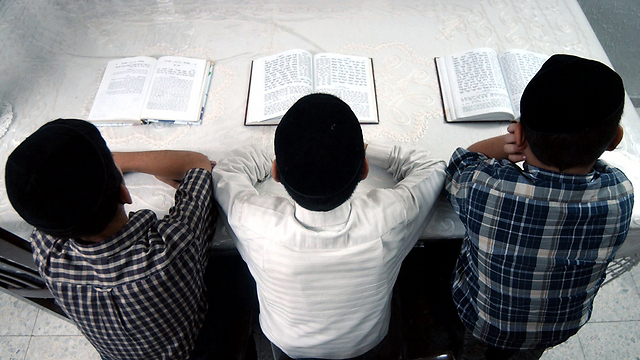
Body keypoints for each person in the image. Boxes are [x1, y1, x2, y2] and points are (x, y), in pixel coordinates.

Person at [213, 93, 447, 359]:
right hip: (369, 344)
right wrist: (361, 149)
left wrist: (292, 150)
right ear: (365, 170)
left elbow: (228, 170)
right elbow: (431, 167)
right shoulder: (391, 217)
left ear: (275, 172)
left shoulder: (252, 220)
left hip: (286, 347)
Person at [445, 54, 635, 360]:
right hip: (558, 328)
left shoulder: (487, 187)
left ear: (519, 134)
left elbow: (462, 161)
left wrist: (510, 144)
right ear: (615, 139)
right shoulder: (620, 194)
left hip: (479, 320)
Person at [5, 119, 216, 360]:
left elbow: (46, 201)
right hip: (195, 347)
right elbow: (197, 163)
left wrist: (102, 170)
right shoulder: (171, 245)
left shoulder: (45, 253)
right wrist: (109, 163)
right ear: (124, 192)